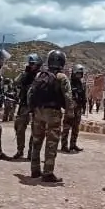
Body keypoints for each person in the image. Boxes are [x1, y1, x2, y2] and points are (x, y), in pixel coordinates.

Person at [27, 49, 73, 182]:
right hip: (53, 112)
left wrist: (32, 109)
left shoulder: (39, 75)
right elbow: (68, 97)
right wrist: (70, 113)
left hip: (38, 111)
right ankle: (48, 172)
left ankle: (35, 170)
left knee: (36, 141)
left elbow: (30, 93)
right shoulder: (61, 77)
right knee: (51, 142)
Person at [12, 54, 43, 160]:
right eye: (30, 64)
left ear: (38, 64)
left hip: (36, 107)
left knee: (35, 130)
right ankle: (20, 151)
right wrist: (25, 73)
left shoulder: (41, 75)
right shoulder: (25, 74)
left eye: (33, 64)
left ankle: (31, 152)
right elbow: (15, 82)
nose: (31, 66)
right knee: (19, 128)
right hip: (24, 105)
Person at [61, 64, 87, 153]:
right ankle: (64, 145)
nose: (79, 76)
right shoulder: (69, 83)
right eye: (77, 74)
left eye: (80, 74)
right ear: (74, 73)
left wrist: (84, 105)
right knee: (66, 127)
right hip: (70, 108)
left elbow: (83, 96)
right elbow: (66, 95)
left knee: (76, 128)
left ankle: (73, 144)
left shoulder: (81, 84)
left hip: (78, 109)